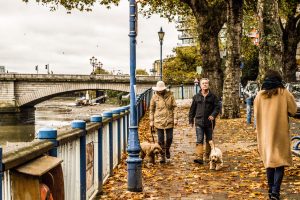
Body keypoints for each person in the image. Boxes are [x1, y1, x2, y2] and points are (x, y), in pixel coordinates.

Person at [254, 70, 297, 200]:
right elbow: (293, 110)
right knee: (280, 162)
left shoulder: (259, 95)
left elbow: (256, 114)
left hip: (265, 134)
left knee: (269, 162)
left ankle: (270, 190)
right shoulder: (284, 93)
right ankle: (275, 192)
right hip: (280, 133)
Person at [188, 78, 220, 164]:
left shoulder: (213, 97)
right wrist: (191, 120)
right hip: (199, 121)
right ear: (200, 85)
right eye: (203, 83)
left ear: (208, 85)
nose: (205, 85)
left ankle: (208, 156)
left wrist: (213, 115)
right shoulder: (196, 97)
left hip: (210, 122)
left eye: (206, 83)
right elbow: (192, 110)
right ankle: (199, 157)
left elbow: (217, 107)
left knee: (209, 140)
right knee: (199, 139)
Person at [149, 81, 177, 163]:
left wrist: (176, 118)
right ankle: (162, 155)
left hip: (169, 119)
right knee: (160, 140)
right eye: (159, 89)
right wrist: (151, 121)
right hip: (158, 120)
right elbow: (151, 110)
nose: (160, 91)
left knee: (169, 138)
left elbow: (175, 107)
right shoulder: (154, 97)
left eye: (161, 89)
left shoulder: (170, 96)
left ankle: (167, 149)